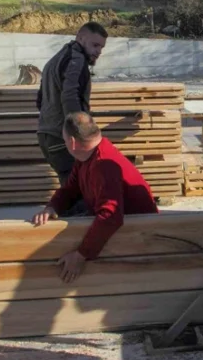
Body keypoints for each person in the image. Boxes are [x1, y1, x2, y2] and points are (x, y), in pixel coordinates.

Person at [32, 112, 159, 283]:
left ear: (72, 142)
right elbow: (71, 188)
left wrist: (81, 255)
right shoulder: (86, 155)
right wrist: (52, 206)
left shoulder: (103, 165)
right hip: (121, 225)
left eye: (64, 139)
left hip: (142, 236)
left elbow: (110, 217)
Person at [36, 23, 108, 185]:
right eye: (95, 45)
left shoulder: (55, 59)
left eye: (101, 47)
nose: (98, 51)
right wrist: (78, 134)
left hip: (47, 135)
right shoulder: (76, 60)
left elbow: (40, 100)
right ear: (80, 38)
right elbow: (70, 96)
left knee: (71, 189)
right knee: (79, 194)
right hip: (64, 140)